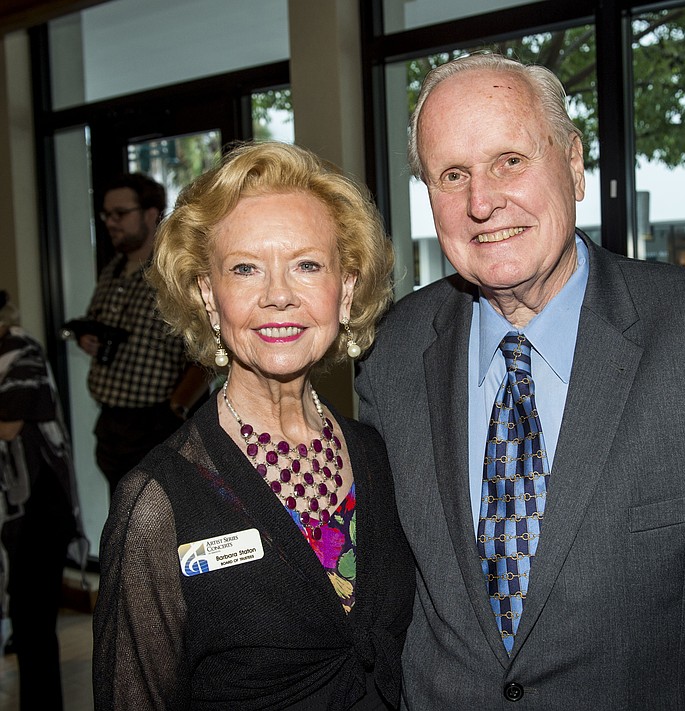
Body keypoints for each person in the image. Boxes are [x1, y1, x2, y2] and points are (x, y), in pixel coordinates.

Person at [354, 52, 685, 709]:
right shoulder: (392, 352)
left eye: (510, 161)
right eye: (452, 173)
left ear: (574, 163)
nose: (482, 201)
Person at [92, 141, 414, 710]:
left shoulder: (379, 455)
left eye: (307, 265)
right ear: (207, 296)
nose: (279, 296)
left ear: (346, 288)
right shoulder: (158, 502)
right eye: (245, 269)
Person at [67, 172, 210, 497]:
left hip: (158, 423)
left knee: (161, 518)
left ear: (151, 214)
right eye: (106, 215)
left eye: (120, 213)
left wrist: (177, 408)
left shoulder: (173, 272)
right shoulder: (112, 269)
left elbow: (206, 348)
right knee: (122, 519)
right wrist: (86, 338)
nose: (111, 222)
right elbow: (96, 320)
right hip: (112, 423)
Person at [0, 290, 88, 710]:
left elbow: (8, 426)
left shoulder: (20, 350)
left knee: (33, 627)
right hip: (14, 510)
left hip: (38, 509)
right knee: (25, 621)